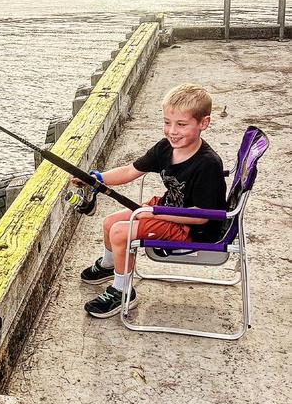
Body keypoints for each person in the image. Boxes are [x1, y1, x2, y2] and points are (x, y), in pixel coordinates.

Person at [76, 83, 226, 318]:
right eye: (167, 122)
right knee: (109, 222)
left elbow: (201, 217)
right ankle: (109, 266)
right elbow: (130, 170)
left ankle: (123, 290)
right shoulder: (165, 148)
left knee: (119, 233)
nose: (172, 131)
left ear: (203, 124)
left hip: (191, 228)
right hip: (169, 211)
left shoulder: (208, 164)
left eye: (181, 124)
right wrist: (97, 178)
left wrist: (154, 213)